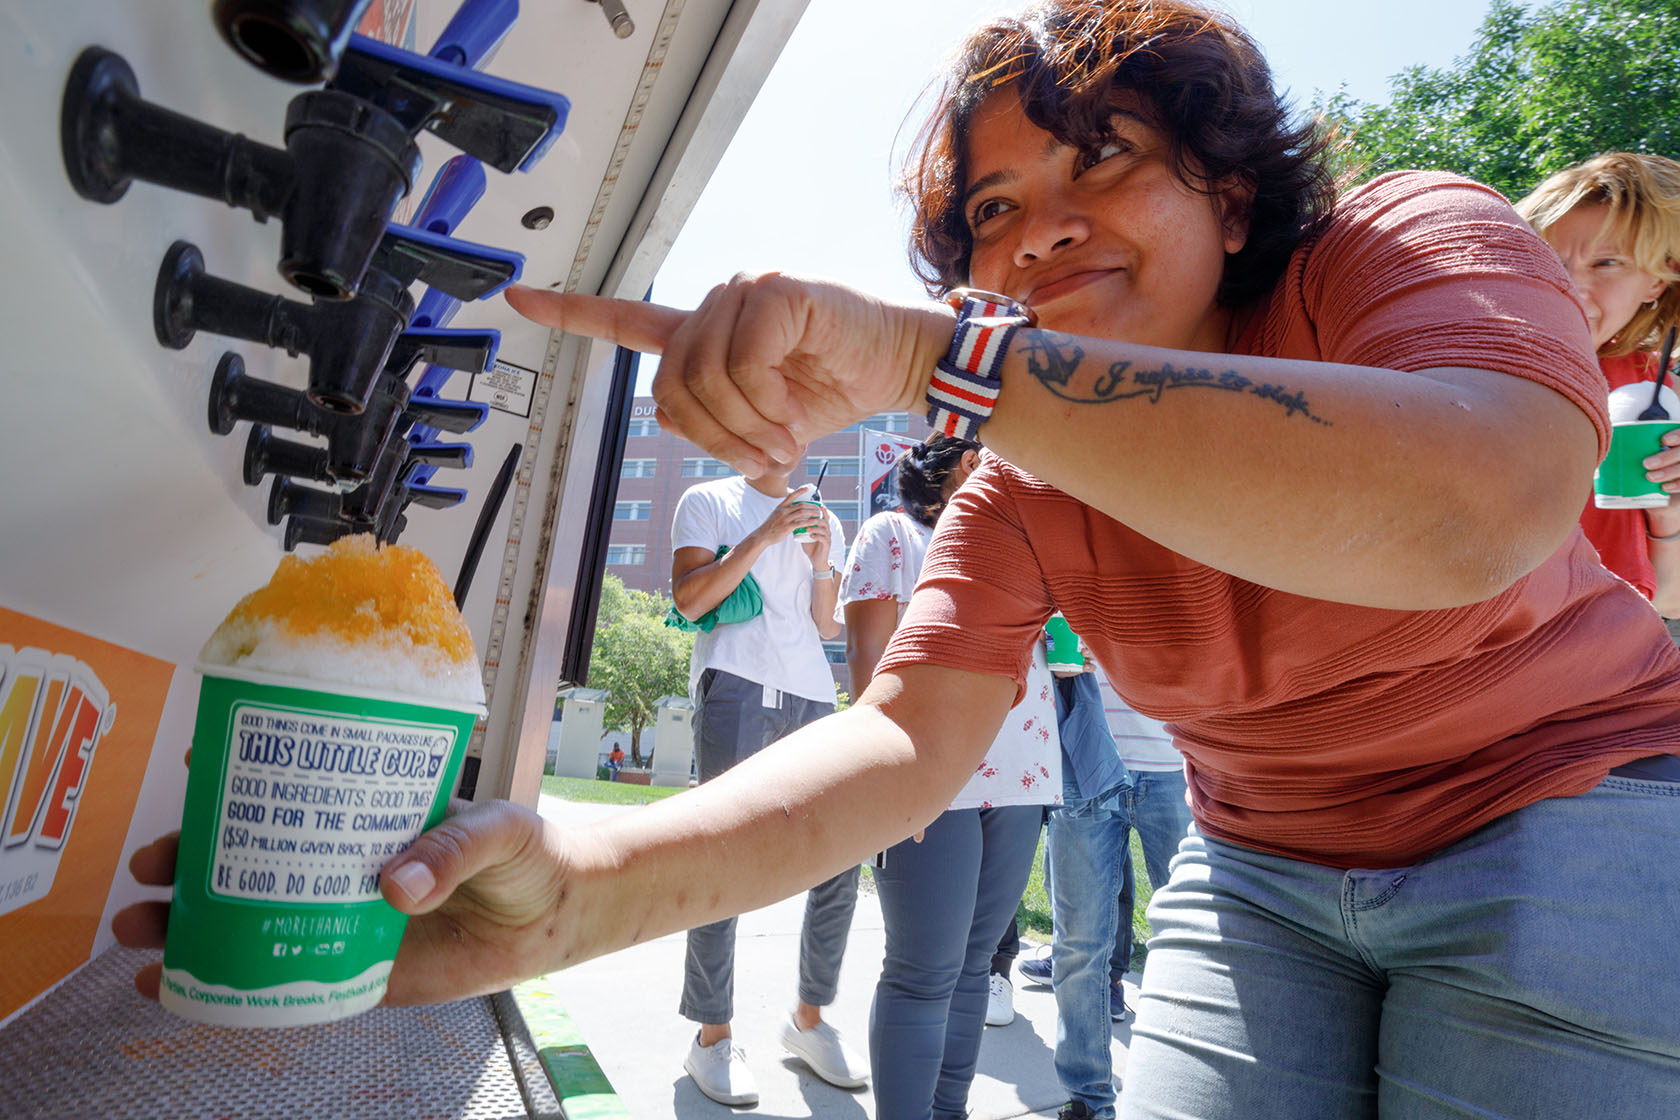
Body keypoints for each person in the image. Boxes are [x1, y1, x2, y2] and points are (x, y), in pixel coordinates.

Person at [117, 2, 1680, 1116]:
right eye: (995, 212)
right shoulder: (1027, 479)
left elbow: (1485, 507)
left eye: (1107, 160)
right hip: (1262, 873)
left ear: (1238, 187)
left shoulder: (1397, 240)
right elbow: (894, 742)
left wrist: (932, 355)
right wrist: (566, 900)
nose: (1041, 229)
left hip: (1577, 804)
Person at [840, 434, 1059, 1119]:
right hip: (926, 770)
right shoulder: (891, 535)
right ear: (968, 464)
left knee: (972, 967)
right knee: (922, 971)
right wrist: (891, 779)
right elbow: (866, 663)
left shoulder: (1026, 541)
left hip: (1021, 770)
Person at [664, 458, 865, 1105]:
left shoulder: (823, 517)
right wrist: (764, 536)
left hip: (811, 691)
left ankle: (808, 1020)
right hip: (737, 681)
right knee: (723, 854)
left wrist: (823, 556)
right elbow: (690, 598)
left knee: (840, 855)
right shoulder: (709, 501)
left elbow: (828, 625)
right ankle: (712, 1037)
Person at [1514, 153, 1680, 615]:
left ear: (1656, 282)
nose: (1570, 287)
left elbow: (1669, 602)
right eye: (1550, 259)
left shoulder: (1658, 396)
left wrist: (1669, 514)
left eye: (1607, 263)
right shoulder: (1471, 365)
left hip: (1605, 652)